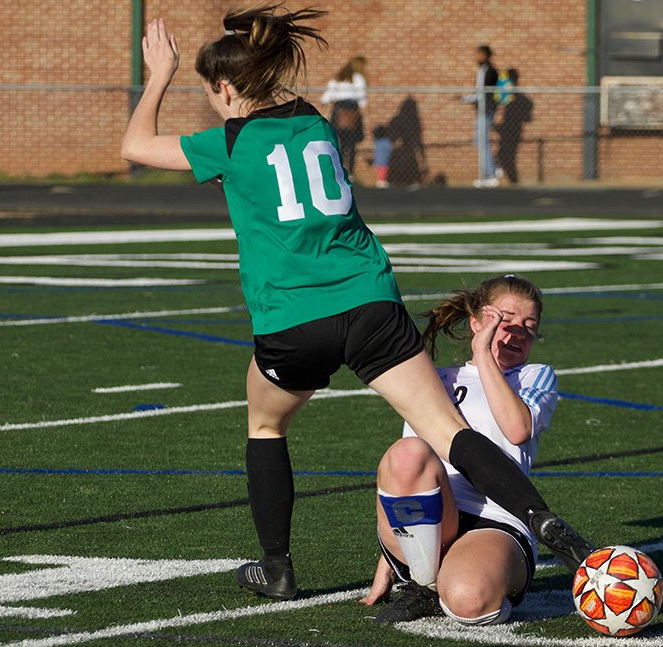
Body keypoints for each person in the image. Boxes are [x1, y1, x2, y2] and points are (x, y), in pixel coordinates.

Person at [121, 5, 592, 604]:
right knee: (448, 431)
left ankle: (278, 568)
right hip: (369, 303)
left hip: (292, 318)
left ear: (226, 88)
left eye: (210, 90)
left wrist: (159, 73)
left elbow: (134, 145)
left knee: (265, 426)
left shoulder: (230, 142)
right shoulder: (315, 122)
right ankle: (541, 518)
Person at [363, 275, 576, 623]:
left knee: (468, 599)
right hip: (431, 516)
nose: (517, 331)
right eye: (504, 320)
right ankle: (423, 580)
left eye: (529, 325)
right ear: (477, 321)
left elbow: (517, 428)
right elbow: (408, 471)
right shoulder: (437, 379)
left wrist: (483, 353)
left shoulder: (536, 376)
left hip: (497, 518)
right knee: (406, 453)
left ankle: (456, 581)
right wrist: (389, 557)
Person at [320, 56, 367, 178]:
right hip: (352, 112)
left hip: (338, 112)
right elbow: (362, 99)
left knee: (336, 142)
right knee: (351, 145)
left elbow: (326, 97)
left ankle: (336, 170)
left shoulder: (338, 78)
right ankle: (350, 172)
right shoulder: (358, 78)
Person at [462, 44, 500, 188]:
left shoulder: (490, 71)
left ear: (484, 55)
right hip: (482, 110)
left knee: (482, 141)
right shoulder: (482, 71)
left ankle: (490, 174)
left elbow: (481, 94)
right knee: (478, 141)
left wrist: (465, 99)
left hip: (486, 109)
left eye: (478, 54)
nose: (475, 57)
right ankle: (489, 171)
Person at [496, 69, 533, 184]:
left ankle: (513, 181)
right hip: (506, 130)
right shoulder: (508, 97)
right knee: (503, 156)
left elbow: (527, 117)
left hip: (513, 131)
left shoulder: (518, 98)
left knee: (508, 156)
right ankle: (511, 179)